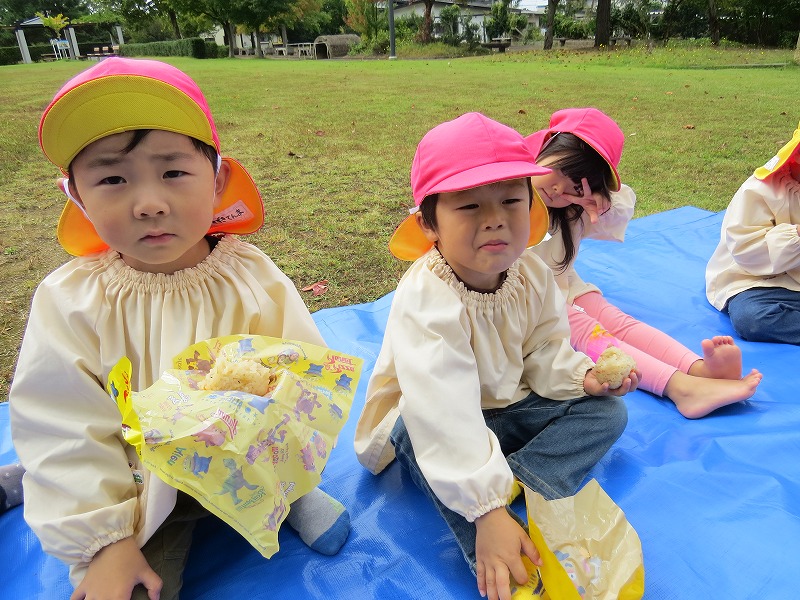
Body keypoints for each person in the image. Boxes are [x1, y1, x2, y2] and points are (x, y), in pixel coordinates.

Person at [9, 57, 349, 600]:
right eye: (112, 179)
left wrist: (276, 421)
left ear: (217, 182)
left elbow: (302, 365)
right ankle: (62, 502)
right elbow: (64, 423)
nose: (148, 204)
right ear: (77, 196)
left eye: (172, 172)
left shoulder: (250, 276)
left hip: (246, 457)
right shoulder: (71, 302)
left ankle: (291, 493)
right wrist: (105, 539)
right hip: (139, 480)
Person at [354, 112, 636, 600]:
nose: (495, 219)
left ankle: (525, 477)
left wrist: (582, 378)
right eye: (469, 206)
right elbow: (442, 409)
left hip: (512, 407)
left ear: (532, 204)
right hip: (439, 421)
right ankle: (497, 545)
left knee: (608, 412)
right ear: (429, 224)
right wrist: (485, 510)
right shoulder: (427, 298)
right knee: (416, 439)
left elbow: (544, 349)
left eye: (510, 200)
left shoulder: (532, 275)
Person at [526, 107, 763, 419]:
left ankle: (699, 369)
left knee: (617, 320)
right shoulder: (506, 197)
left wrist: (598, 199)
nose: (559, 189)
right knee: (587, 331)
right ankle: (682, 388)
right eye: (558, 171)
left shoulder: (571, 207)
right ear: (544, 147)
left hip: (562, 285)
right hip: (526, 299)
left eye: (576, 185)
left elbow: (619, 211)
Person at [706, 121, 800, 344]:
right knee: (752, 317)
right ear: (797, 155)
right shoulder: (759, 190)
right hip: (761, 282)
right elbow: (747, 251)